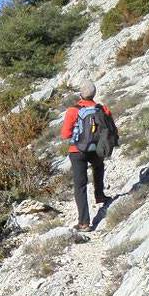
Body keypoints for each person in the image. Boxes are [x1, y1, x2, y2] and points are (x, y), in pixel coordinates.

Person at [61, 81, 115, 231]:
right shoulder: (102, 109)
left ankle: (84, 222)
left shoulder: (73, 110)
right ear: (94, 94)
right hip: (96, 149)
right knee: (98, 167)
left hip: (77, 151)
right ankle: (100, 195)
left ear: (80, 94)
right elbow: (109, 128)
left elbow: (65, 134)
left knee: (80, 185)